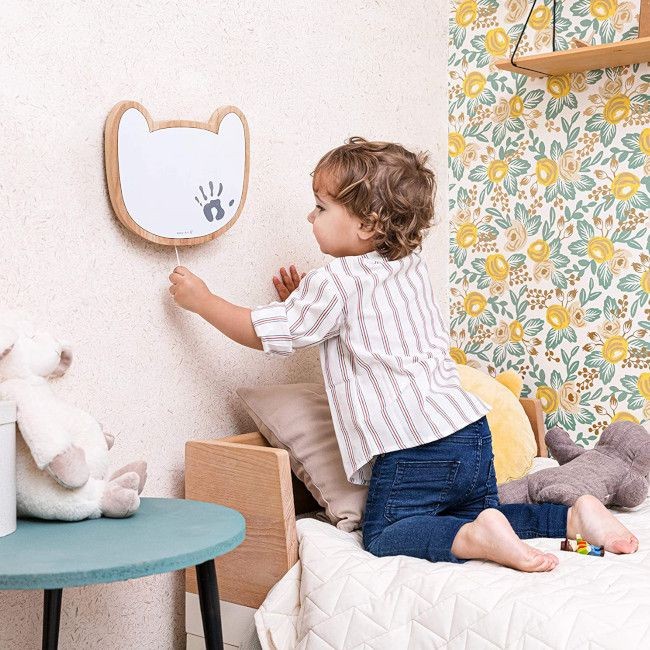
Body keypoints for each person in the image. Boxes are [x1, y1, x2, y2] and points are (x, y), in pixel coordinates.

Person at [168, 137, 638, 571]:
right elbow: (362, 326)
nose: (310, 217)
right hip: (469, 432)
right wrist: (301, 302)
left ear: (368, 223)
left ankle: (475, 537)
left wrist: (202, 300)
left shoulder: (334, 282)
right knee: (480, 514)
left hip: (412, 446)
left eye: (321, 207)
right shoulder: (407, 266)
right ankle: (572, 518)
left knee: (386, 533)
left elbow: (263, 332)